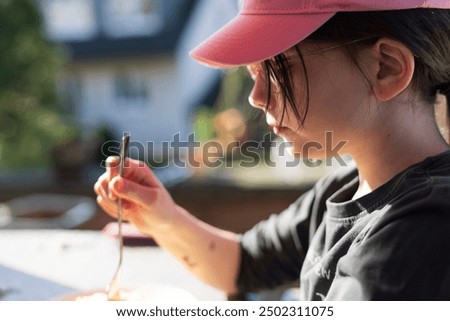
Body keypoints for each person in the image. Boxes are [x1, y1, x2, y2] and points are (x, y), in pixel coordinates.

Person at [94, 0, 450, 300]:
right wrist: (163, 217)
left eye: (280, 68)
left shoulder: (418, 234)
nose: (256, 96)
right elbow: (243, 265)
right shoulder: (347, 186)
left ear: (386, 68)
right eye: (253, 73)